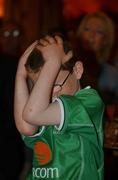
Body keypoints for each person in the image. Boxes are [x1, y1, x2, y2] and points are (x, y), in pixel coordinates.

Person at [14, 34, 104, 179]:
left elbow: (33, 114)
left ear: (77, 70)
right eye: (40, 87)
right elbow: (26, 127)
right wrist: (20, 75)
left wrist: (53, 62)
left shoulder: (89, 101)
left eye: (54, 84)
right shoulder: (43, 106)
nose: (50, 94)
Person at [0, 20, 25, 179]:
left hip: (18, 136)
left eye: (15, 34)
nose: (10, 38)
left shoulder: (28, 63)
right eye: (6, 34)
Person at [76, 11, 118, 104]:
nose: (91, 35)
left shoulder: (113, 75)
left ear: (106, 40)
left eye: (99, 32)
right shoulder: (70, 66)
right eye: (87, 29)